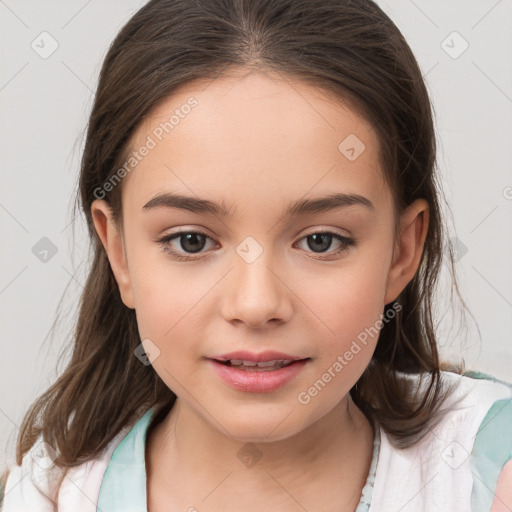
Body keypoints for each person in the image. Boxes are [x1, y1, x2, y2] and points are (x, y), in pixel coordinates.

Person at [1, 0, 511, 510]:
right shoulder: (49, 495)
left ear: (403, 251)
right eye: (191, 241)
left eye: (321, 241)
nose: (256, 304)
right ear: (120, 253)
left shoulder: (487, 472)